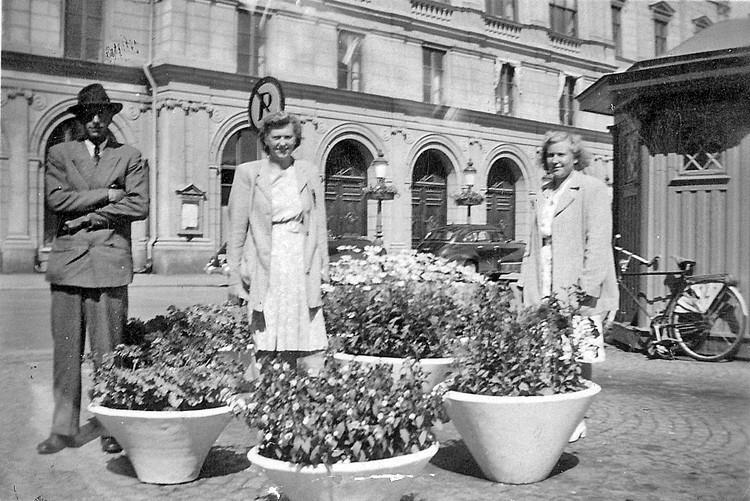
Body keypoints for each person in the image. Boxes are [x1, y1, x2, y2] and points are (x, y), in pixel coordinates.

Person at [37, 83, 149, 454]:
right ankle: (62, 428)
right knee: (66, 352)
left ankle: (111, 426)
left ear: (112, 116)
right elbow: (56, 200)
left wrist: (84, 217)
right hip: (68, 263)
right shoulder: (59, 153)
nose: (97, 119)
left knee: (109, 351)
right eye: (89, 114)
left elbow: (138, 206)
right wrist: (107, 195)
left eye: (103, 113)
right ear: (81, 118)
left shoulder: (130, 155)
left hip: (109, 261)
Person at [519, 131, 618, 442]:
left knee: (578, 352)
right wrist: (526, 282)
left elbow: (598, 244)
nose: (555, 160)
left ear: (575, 157)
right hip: (544, 277)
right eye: (550, 155)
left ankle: (575, 417)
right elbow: (533, 242)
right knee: (547, 350)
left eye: (561, 154)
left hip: (576, 284)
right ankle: (554, 411)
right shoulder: (544, 191)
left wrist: (586, 290)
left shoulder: (592, 189)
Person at [227, 111, 328, 374]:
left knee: (298, 330)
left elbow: (318, 224)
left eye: (287, 137)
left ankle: (291, 391)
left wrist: (323, 269)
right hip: (265, 260)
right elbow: (237, 231)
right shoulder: (248, 173)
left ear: (296, 140)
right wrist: (235, 279)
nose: (282, 143)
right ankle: (267, 389)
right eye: (276, 137)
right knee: (266, 331)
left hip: (299, 259)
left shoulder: (307, 171)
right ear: (266, 140)